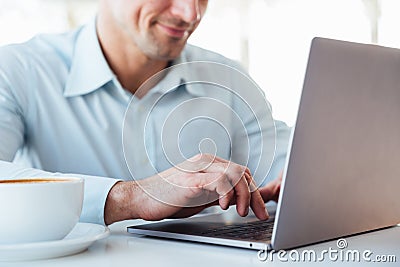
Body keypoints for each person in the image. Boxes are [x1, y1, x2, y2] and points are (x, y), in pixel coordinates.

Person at [0, 0, 290, 225]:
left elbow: (288, 161)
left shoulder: (228, 79)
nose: (191, 14)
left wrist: (306, 179)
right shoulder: (20, 70)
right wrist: (132, 197)